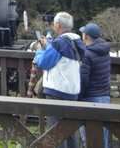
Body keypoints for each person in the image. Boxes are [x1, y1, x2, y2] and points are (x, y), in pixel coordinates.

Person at [34, 12, 85, 148]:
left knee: (56, 131)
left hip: (57, 91)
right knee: (70, 130)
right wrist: (50, 46)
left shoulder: (60, 43)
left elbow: (43, 62)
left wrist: (39, 51)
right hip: (73, 91)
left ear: (58, 25)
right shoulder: (77, 41)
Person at [79, 22, 111, 148]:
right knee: (104, 140)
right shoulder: (105, 50)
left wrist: (78, 97)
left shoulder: (87, 54)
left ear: (86, 36)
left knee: (89, 140)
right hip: (105, 97)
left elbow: (84, 80)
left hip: (90, 98)